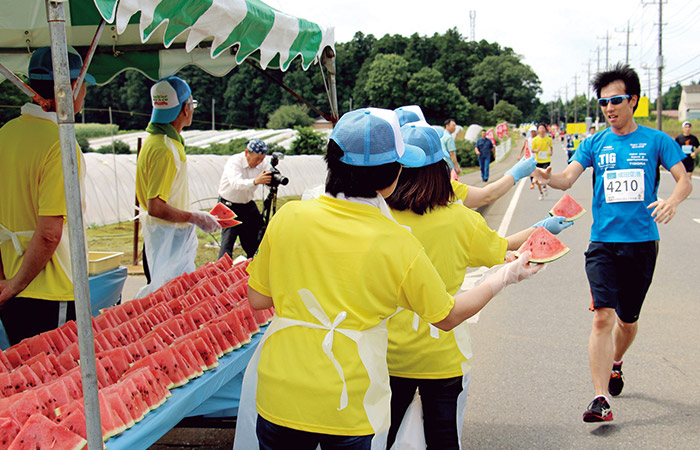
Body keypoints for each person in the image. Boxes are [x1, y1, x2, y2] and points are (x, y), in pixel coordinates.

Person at [233, 108, 542, 450]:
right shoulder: (397, 242)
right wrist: (503, 278)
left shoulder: (288, 217)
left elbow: (259, 299)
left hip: (280, 391)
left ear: (331, 161)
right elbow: (446, 316)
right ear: (393, 175)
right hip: (349, 397)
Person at [385, 122, 572, 449]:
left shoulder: (378, 218)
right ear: (442, 169)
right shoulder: (460, 220)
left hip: (385, 352)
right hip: (440, 352)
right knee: (443, 438)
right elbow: (500, 249)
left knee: (383, 436)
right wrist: (541, 228)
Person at [533, 63, 691, 423]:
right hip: (602, 243)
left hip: (641, 243)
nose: (609, 108)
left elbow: (683, 180)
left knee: (628, 321)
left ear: (633, 100)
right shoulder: (593, 143)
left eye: (616, 100)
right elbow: (567, 178)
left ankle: (616, 363)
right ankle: (600, 398)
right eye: (603, 102)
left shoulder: (657, 141)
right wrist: (548, 175)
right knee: (603, 317)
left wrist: (673, 200)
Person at [0, 46, 94, 345]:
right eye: (85, 86)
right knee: (56, 381)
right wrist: (15, 285)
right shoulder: (61, 144)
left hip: (11, 282)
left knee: (25, 380)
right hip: (49, 288)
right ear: (72, 88)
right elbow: (49, 234)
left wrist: (6, 280)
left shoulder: (5, 134)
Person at [135, 76, 220, 297]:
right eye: (192, 104)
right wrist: (196, 217)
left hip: (167, 238)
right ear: (185, 108)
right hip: (167, 241)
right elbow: (156, 206)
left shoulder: (157, 141)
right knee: (167, 303)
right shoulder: (165, 149)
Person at [217, 139, 271, 259]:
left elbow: (267, 177)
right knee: (227, 243)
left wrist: (272, 181)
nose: (259, 162)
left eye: (262, 159)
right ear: (247, 152)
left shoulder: (263, 162)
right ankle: (221, 272)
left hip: (247, 204)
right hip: (228, 205)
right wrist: (256, 181)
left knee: (255, 238)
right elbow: (236, 184)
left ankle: (254, 268)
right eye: (256, 158)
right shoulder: (234, 162)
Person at [532, 122, 553, 199]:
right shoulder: (535, 140)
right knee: (537, 177)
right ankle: (540, 192)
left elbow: (551, 147)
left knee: (545, 175)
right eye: (540, 128)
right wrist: (536, 150)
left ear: (545, 130)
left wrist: (551, 152)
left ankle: (544, 186)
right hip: (538, 160)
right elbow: (532, 150)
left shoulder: (548, 139)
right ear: (538, 130)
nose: (541, 130)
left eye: (543, 128)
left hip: (546, 160)